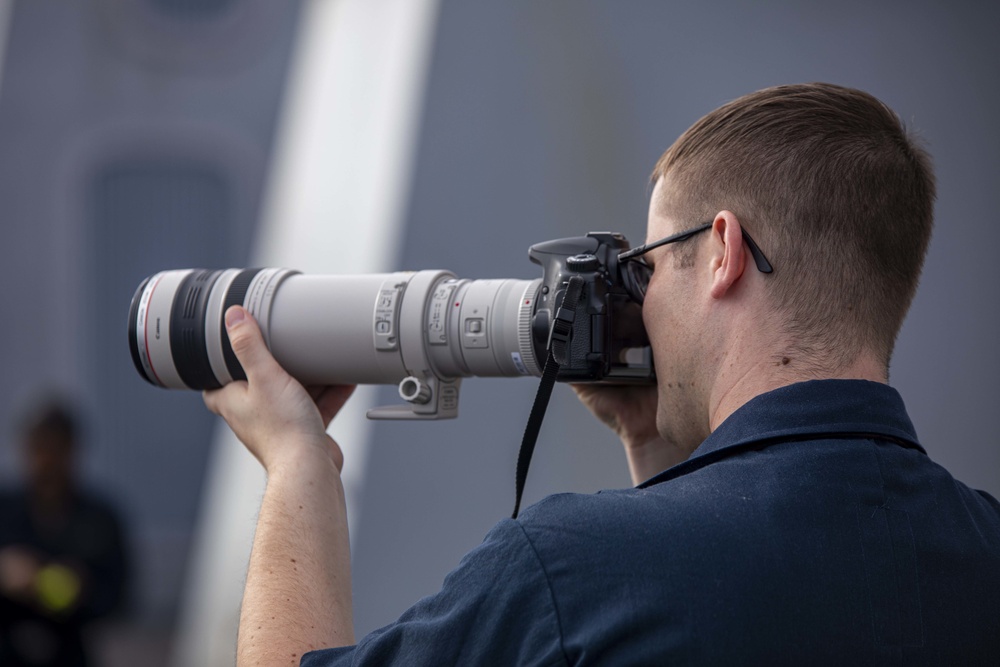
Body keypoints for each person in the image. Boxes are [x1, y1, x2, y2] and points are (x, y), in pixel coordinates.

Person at [203, 83, 1000, 665]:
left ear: (722, 253)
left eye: (650, 266)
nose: (641, 300)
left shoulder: (569, 568)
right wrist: (653, 442)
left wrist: (298, 463)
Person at [0, 398, 130, 667]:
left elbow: (120, 596)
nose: (46, 461)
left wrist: (83, 588)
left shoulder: (100, 519)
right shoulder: (4, 509)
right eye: (39, 449)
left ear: (73, 450)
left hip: (70, 655)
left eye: (55, 450)